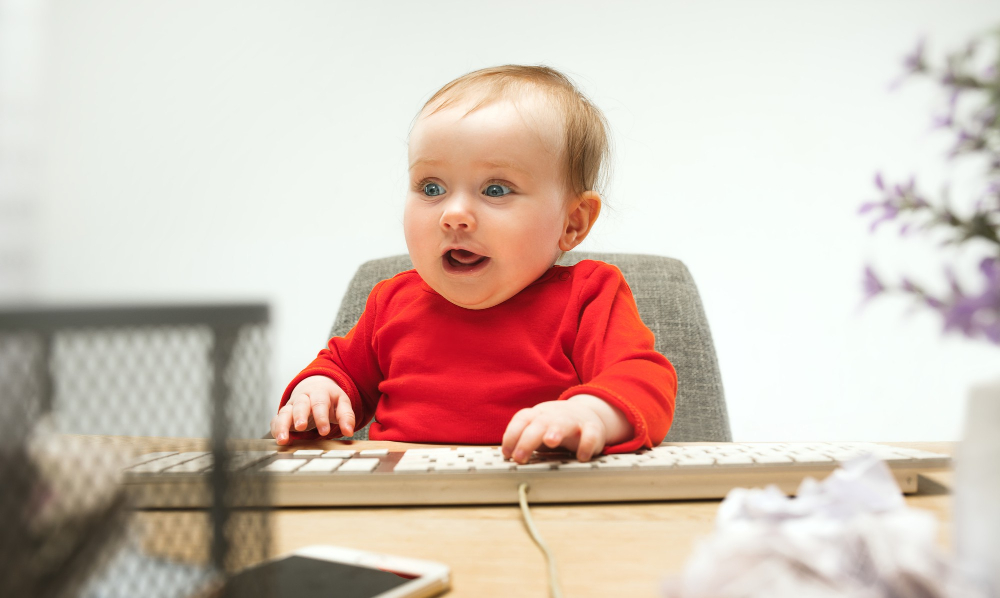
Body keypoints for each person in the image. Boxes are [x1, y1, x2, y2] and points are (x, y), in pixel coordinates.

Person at [270, 65, 677, 463]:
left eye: (495, 189)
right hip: (399, 501)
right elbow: (340, 370)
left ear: (572, 223)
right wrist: (318, 391)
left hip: (535, 493)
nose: (454, 214)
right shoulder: (391, 301)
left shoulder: (589, 296)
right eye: (432, 188)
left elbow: (644, 381)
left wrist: (588, 414)